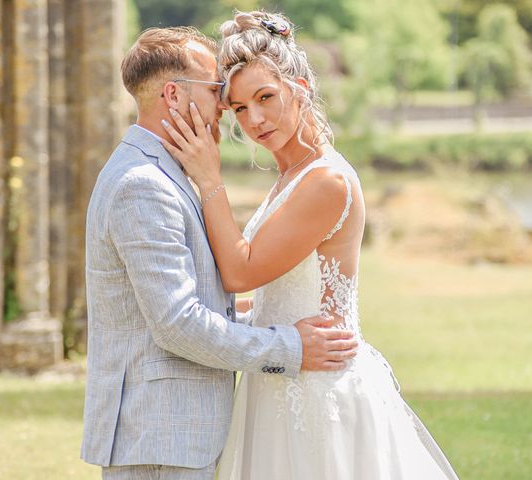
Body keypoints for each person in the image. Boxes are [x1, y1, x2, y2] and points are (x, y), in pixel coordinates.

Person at [161, 11, 460, 479]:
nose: (255, 119)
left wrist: (208, 178)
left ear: (298, 87)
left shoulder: (327, 181)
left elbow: (240, 271)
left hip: (319, 393)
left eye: (265, 98)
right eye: (239, 108)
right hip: (279, 375)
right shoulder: (292, 175)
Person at [80, 27, 359, 480]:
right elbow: (178, 323)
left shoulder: (162, 173)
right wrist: (290, 345)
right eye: (217, 92)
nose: (226, 109)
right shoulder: (143, 186)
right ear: (174, 94)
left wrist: (283, 323)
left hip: (177, 435)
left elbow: (199, 305)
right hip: (161, 434)